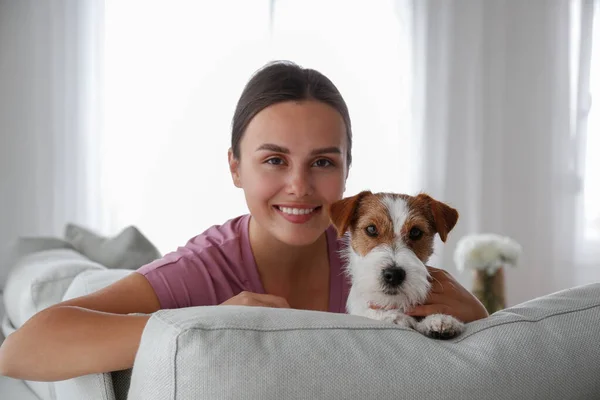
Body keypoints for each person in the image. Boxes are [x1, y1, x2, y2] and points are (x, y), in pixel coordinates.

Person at [0, 60, 488, 382]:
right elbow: (20, 349)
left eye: (322, 162)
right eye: (274, 160)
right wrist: (209, 324)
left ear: (346, 173)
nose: (299, 186)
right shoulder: (206, 266)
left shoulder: (379, 254)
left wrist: (480, 317)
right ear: (235, 167)